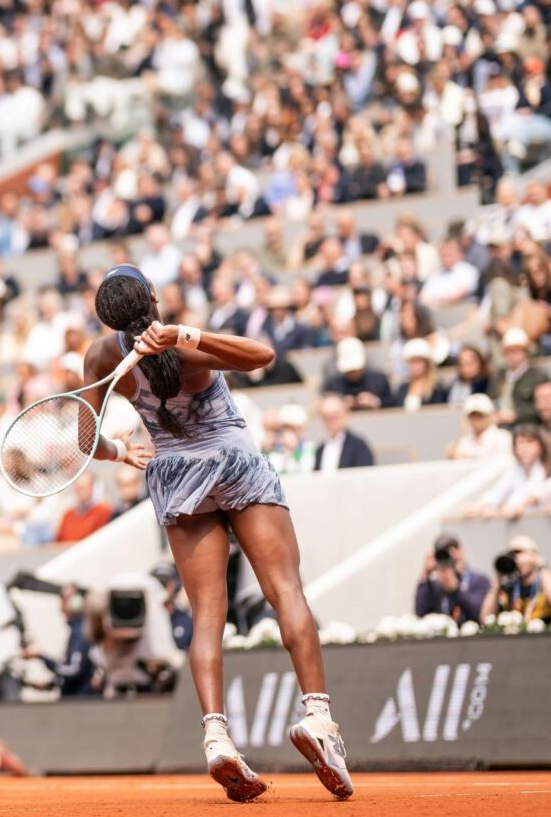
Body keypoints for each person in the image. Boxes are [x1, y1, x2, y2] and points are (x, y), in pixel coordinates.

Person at [82, 266, 352, 802]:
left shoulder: (101, 355)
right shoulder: (184, 345)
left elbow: (84, 437)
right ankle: (318, 719)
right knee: (285, 592)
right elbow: (262, 355)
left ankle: (216, 737)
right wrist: (186, 335)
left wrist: (120, 452)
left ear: (107, 317)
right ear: (153, 297)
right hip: (233, 463)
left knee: (208, 613)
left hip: (175, 476)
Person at [467, 425, 551, 518]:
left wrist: (500, 510)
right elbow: (498, 491)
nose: (525, 448)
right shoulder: (515, 469)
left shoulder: (543, 471)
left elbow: (529, 498)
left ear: (540, 446)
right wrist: (480, 506)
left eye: (530, 442)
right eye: (521, 443)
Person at [481, 535, 551, 625]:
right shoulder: (509, 587)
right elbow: (485, 618)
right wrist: (498, 579)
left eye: (519, 553)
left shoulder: (547, 581)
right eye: (512, 555)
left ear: (534, 555)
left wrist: (542, 566)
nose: (516, 559)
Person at [415, 533, 492, 624]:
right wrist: (425, 574)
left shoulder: (480, 581)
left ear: (460, 552)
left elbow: (479, 615)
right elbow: (421, 613)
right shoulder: (436, 585)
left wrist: (455, 590)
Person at [310, 395, 375, 473]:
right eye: (326, 417)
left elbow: (365, 474)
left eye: (335, 416)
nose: (331, 421)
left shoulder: (359, 446)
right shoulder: (320, 449)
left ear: (345, 415)